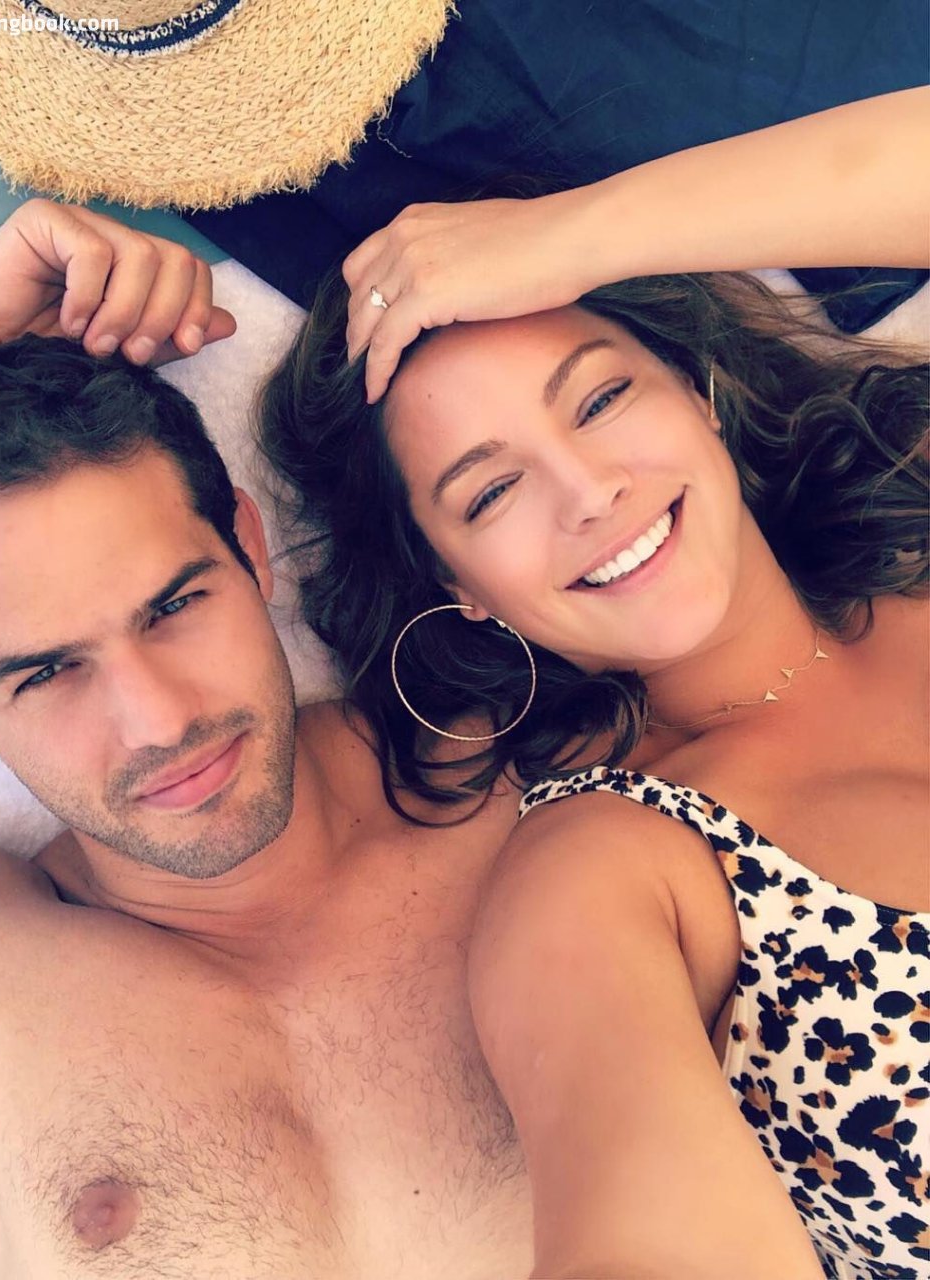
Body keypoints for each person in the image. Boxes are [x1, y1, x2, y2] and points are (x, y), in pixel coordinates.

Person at [257, 90, 929, 1277]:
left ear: (696, 391)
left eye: (602, 397)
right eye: (488, 491)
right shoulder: (607, 872)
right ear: (454, 583)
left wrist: (578, 235)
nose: (587, 491)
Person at [0, 206, 533, 1279]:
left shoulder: (543, 773)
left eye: (173, 606)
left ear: (249, 544)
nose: (159, 720)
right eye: (46, 672)